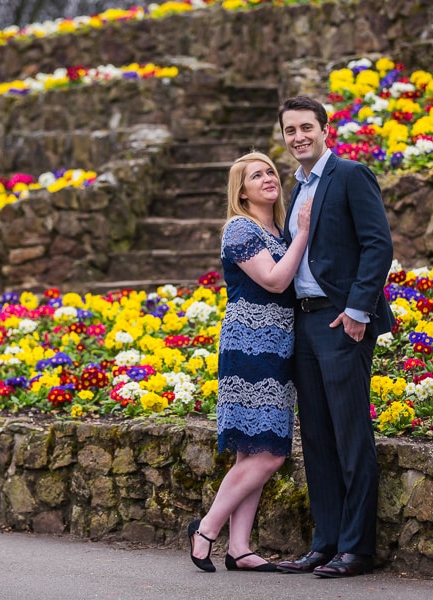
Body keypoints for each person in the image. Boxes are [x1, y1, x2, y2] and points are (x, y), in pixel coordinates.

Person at [274, 96, 394, 578]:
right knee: (318, 439)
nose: (298, 136)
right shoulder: (295, 189)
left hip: (342, 322)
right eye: (289, 130)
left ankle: (357, 548)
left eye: (306, 127)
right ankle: (324, 543)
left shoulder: (349, 175)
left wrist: (357, 310)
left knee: (350, 436)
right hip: (303, 323)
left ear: (326, 129)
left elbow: (377, 244)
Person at [187, 151, 312, 573]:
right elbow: (276, 280)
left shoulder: (276, 228)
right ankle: (206, 530)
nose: (268, 179)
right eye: (256, 175)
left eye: (271, 172)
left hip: (278, 344)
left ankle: (239, 548)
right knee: (271, 453)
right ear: (241, 191)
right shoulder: (240, 228)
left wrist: (295, 233)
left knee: (254, 450)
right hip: (250, 344)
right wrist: (305, 234)